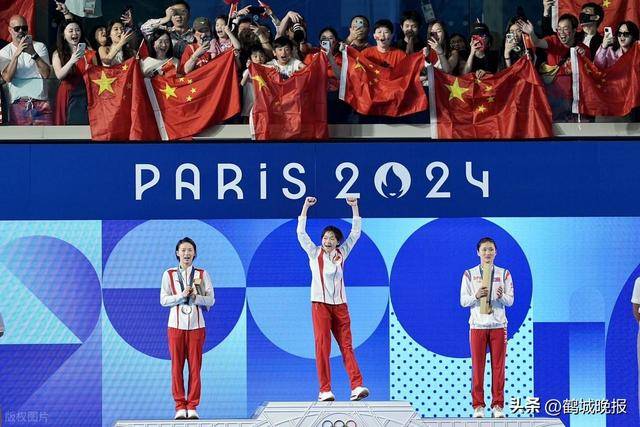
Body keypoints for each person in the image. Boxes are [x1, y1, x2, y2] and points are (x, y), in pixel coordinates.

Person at [297, 196, 369, 402]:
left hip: (341, 306)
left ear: (338, 241)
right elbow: (301, 232)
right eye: (325, 238)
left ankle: (356, 386)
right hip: (320, 305)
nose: (327, 241)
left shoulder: (342, 252)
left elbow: (355, 233)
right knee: (323, 347)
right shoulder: (314, 253)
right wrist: (305, 207)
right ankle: (325, 390)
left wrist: (354, 206)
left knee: (347, 346)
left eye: (331, 238)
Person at [160, 237, 214, 420]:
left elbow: (211, 300)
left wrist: (196, 298)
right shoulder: (168, 274)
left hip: (197, 326)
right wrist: (181, 296)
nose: (186, 253)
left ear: (195, 253)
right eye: (183, 250)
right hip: (175, 326)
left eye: (190, 250)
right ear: (177, 253)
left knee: (195, 367)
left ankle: (192, 405)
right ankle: (179, 406)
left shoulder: (202, 274)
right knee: (176, 367)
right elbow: (163, 300)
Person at [460, 237, 514, 419]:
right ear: (478, 252)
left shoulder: (504, 273)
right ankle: (478, 406)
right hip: (477, 326)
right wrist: (476, 296)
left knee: (499, 367)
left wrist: (501, 296)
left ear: (496, 252)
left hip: (499, 326)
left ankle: (498, 405)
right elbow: (463, 301)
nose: (487, 253)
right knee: (478, 367)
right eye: (484, 250)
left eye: (491, 249)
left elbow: (510, 300)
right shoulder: (469, 274)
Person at [519, 14, 589, 121]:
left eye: (565, 29)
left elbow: (589, 76)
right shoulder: (553, 41)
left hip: (575, 100)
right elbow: (537, 42)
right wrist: (531, 33)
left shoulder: (583, 49)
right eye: (559, 29)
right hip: (554, 99)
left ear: (574, 30)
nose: (561, 32)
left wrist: (584, 58)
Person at [0, 15, 53, 125]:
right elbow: (7, 77)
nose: (21, 31)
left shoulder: (39, 47)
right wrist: (16, 55)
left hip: (41, 102)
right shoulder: (4, 52)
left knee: (46, 135)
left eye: (24, 28)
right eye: (17, 28)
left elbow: (46, 74)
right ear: (10, 30)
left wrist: (33, 53)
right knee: (20, 136)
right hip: (18, 104)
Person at [52, 19, 94, 125]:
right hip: (67, 93)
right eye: (70, 31)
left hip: (85, 92)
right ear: (63, 35)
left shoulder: (89, 51)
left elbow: (95, 73)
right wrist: (72, 60)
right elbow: (59, 75)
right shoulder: (58, 53)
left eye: (77, 30)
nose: (75, 33)